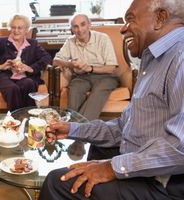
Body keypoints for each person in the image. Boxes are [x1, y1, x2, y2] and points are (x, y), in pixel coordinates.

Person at [39, 0, 184, 199]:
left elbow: (180, 149)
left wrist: (112, 167)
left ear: (160, 18)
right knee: (97, 149)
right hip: (142, 157)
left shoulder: (180, 57)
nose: (123, 29)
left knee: (57, 182)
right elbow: (124, 126)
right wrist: (74, 129)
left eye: (130, 20)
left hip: (164, 182)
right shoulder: (153, 60)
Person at [53, 13, 119, 121]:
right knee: (74, 88)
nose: (79, 30)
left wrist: (90, 68)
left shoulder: (103, 39)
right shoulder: (70, 41)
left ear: (89, 24)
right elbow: (55, 61)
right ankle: (73, 127)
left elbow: (111, 67)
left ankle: (79, 129)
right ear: (72, 29)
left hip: (105, 76)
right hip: (81, 77)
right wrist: (70, 64)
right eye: (75, 26)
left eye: (82, 25)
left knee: (98, 93)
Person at [0, 14, 52, 111]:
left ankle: (28, 116)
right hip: (5, 78)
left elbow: (47, 57)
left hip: (26, 77)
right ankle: (16, 120)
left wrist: (30, 68)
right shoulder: (2, 42)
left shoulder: (33, 44)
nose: (16, 30)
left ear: (26, 30)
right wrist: (0, 66)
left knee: (28, 83)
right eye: (13, 27)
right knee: (12, 88)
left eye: (20, 28)